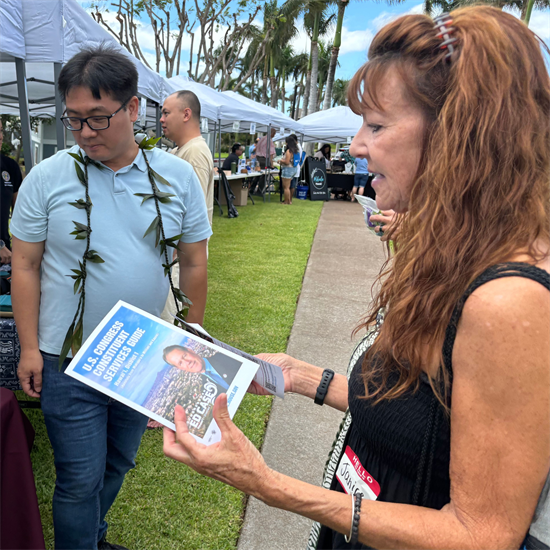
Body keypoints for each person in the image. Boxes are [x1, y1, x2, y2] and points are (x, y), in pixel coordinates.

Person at [163, 7, 550, 550]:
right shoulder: (455, 251)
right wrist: (302, 377)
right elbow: (422, 416)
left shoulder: (511, 299)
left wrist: (267, 484)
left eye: (377, 125)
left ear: (460, 135)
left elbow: (482, 534)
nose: (355, 146)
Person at [11, 45, 212, 550]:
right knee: (78, 477)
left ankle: (92, 537)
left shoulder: (176, 176)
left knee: (119, 460)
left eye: (98, 119)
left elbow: (193, 262)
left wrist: (189, 342)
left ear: (133, 108)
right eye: (74, 120)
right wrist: (31, 347)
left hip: (142, 351)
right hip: (68, 355)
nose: (84, 134)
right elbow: (26, 264)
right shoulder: (48, 177)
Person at [160, 90, 215, 226]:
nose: (161, 119)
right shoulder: (177, 151)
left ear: (186, 115)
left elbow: (194, 216)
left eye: (166, 113)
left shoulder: (195, 152)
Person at [163, 345, 242, 390]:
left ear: (190, 350)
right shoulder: (205, 386)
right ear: (181, 369)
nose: (187, 362)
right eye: (180, 363)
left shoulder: (224, 357)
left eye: (184, 356)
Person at [0, 120, 22, 265]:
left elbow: (19, 212)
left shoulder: (9, 166)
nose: (0, 136)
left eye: (1, 130)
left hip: (5, 256)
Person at [279, 135, 299, 205]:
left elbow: (287, 162)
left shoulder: (288, 151)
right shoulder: (295, 150)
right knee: (289, 186)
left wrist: (281, 161)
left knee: (286, 187)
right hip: (294, 168)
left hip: (287, 169)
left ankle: (286, 201)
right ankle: (289, 200)